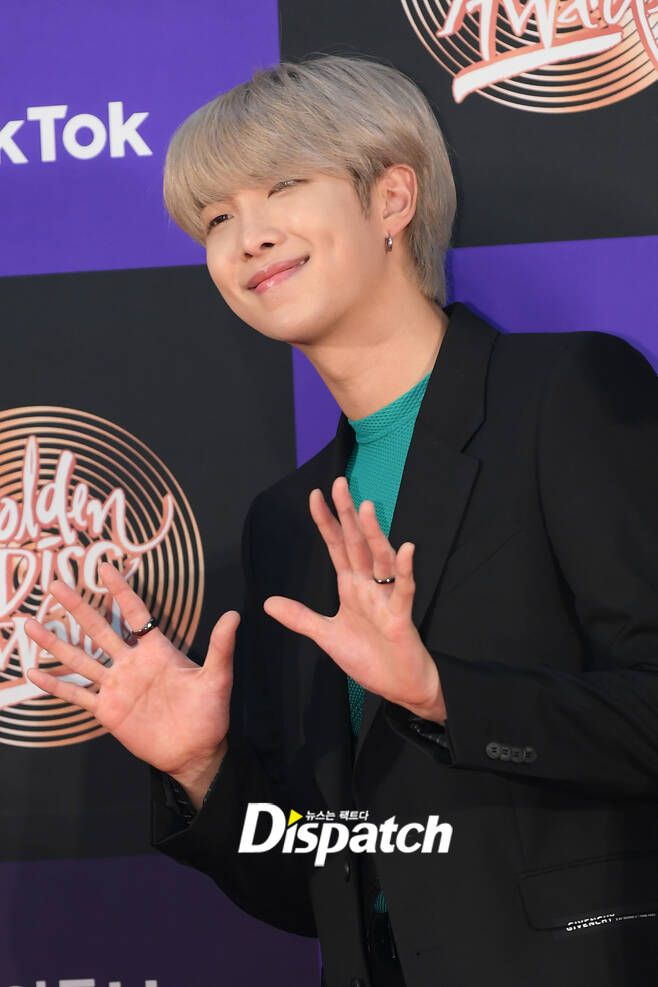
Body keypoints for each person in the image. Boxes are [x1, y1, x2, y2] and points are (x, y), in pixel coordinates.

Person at [24, 53, 658, 987]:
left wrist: (441, 693)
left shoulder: (563, 396)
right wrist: (202, 769)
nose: (248, 236)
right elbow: (319, 888)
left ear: (392, 198)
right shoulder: (287, 522)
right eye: (217, 218)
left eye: (283, 186)